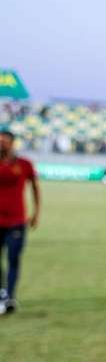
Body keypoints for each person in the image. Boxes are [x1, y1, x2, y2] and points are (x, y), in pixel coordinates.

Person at [0, 128, 39, 314]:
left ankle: (11, 296)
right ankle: (2, 294)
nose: (1, 144)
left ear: (12, 143)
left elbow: (35, 188)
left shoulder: (24, 164)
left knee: (13, 259)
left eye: (4, 141)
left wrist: (36, 213)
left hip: (16, 221)